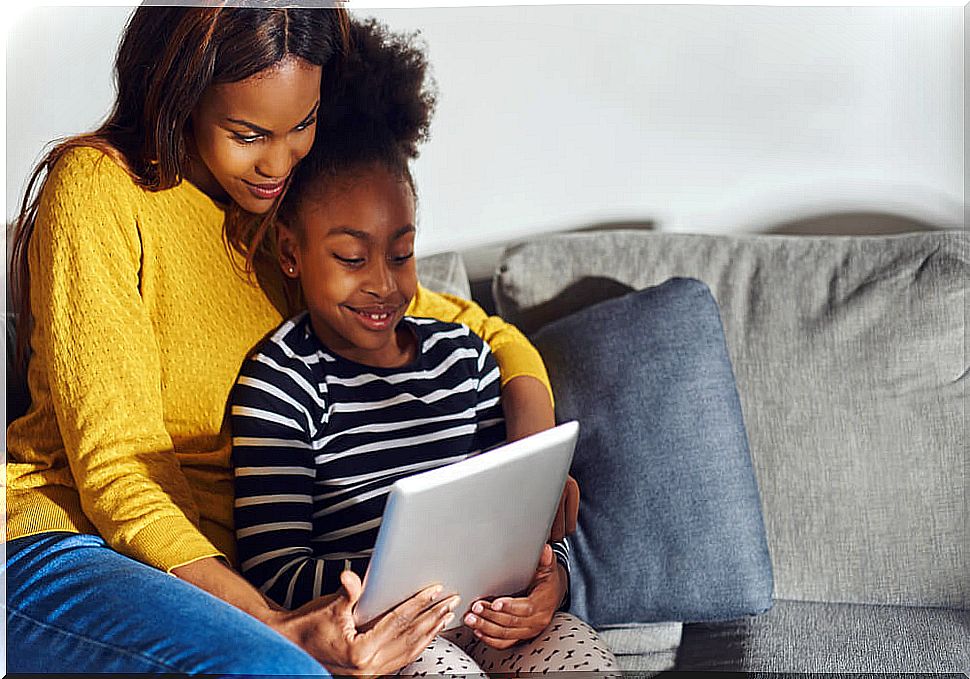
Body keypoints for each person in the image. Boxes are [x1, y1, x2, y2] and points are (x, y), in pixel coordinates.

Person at [4, 7, 573, 675]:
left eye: (301, 124)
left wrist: (536, 464)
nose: (279, 160)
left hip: (225, 583)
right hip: (70, 546)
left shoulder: (285, 221)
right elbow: (118, 471)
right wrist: (278, 626)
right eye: (248, 133)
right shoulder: (101, 190)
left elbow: (488, 333)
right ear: (182, 93)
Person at [229, 18, 619, 677]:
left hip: (490, 616)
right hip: (385, 636)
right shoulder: (283, 381)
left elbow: (524, 519)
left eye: (402, 252)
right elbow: (272, 568)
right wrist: (398, 581)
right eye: (351, 257)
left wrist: (549, 583)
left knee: (584, 659)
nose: (383, 282)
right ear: (291, 252)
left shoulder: (464, 359)